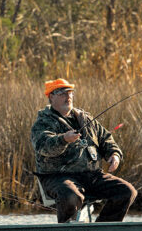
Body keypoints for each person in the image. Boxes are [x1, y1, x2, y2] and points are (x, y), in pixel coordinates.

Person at [31, 78, 136, 223]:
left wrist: (114, 154)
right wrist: (63, 139)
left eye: (70, 93)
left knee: (127, 191)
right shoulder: (43, 122)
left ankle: (103, 230)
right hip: (57, 177)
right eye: (62, 93)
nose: (68, 96)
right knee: (70, 196)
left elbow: (105, 138)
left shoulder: (85, 119)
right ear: (51, 97)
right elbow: (44, 146)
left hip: (92, 176)